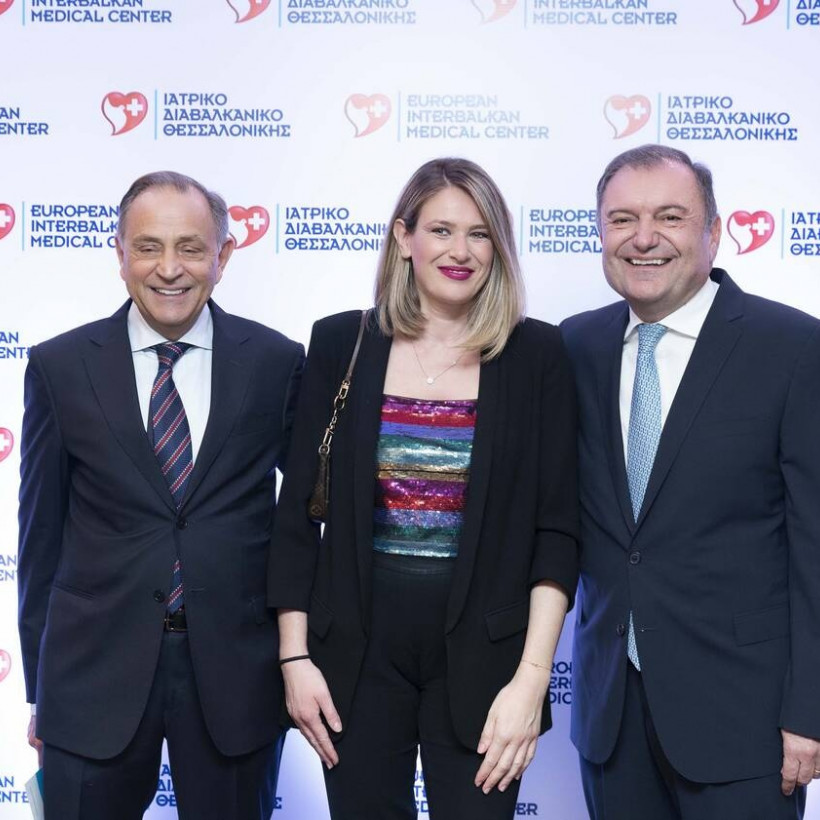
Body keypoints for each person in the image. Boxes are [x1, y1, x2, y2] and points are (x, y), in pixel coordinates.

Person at [268, 157, 579, 819]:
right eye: (441, 230)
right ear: (403, 237)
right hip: (353, 662)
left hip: (488, 665)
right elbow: (296, 518)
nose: (460, 251)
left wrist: (531, 681)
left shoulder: (536, 355)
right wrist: (295, 657)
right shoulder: (341, 342)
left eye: (479, 233)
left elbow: (557, 531)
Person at [17, 171, 304, 820]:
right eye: (148, 247)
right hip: (90, 678)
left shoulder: (276, 362)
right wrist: (42, 689)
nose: (169, 269)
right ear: (119, 254)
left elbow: (304, 521)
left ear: (223, 256)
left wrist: (301, 655)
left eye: (191, 248)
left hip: (237, 675)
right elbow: (39, 538)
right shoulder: (61, 367)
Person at [561, 144, 820, 820]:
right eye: (622, 219)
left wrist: (810, 710)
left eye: (670, 217)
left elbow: (815, 546)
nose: (643, 238)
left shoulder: (793, 347)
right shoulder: (572, 347)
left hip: (747, 722)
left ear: (715, 232)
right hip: (611, 718)